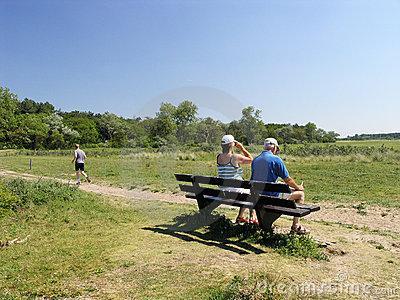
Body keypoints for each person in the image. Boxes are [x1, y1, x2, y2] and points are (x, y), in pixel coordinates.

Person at [251, 138, 308, 234]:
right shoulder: (276, 160)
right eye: (277, 149)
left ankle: (265, 223)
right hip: (273, 198)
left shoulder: (255, 160)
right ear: (274, 148)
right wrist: (298, 187)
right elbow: (288, 180)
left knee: (280, 185)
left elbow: (253, 180)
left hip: (259, 197)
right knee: (300, 194)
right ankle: (295, 226)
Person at [217, 134, 257, 224]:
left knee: (246, 191)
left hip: (223, 190)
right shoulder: (235, 157)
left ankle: (240, 217)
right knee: (252, 192)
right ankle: (251, 217)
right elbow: (251, 160)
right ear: (232, 144)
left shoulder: (218, 157)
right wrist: (242, 148)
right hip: (234, 191)